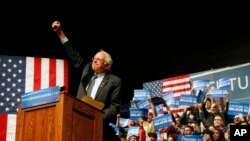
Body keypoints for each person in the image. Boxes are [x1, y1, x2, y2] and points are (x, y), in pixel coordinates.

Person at [52, 21, 122, 141]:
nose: (94, 61)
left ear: (107, 65)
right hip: (77, 120)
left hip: (97, 125)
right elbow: (73, 54)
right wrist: (60, 33)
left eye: (98, 59)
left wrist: (98, 117)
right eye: (94, 58)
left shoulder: (114, 81)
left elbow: (114, 106)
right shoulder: (86, 72)